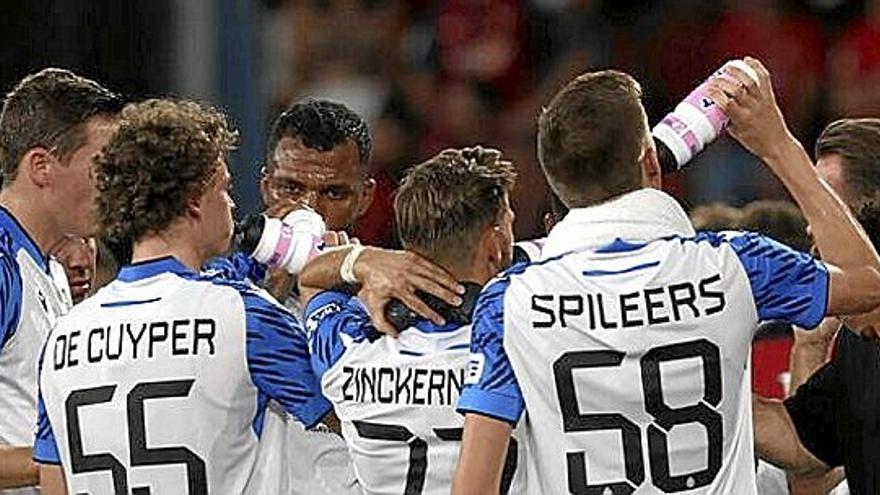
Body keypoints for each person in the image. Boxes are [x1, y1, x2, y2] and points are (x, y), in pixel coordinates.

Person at [451, 59, 880, 494]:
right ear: (652, 162)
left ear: (556, 182)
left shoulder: (508, 302)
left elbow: (472, 489)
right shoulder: (737, 264)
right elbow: (869, 280)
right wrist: (779, 146)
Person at [31, 99, 332, 494]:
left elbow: (54, 483)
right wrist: (333, 289)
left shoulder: (62, 336)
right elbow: (355, 415)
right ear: (193, 199)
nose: (231, 203)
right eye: (223, 188)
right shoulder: (246, 317)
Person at [300, 146, 522, 494]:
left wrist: (363, 259)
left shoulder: (346, 350)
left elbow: (311, 280)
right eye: (509, 223)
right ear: (495, 247)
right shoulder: (519, 349)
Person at [0, 68, 122, 493]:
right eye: (102, 166)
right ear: (42, 167)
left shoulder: (53, 268)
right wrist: (66, 459)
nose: (114, 183)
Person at [755, 118, 880, 495]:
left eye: (828, 205)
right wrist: (702, 384)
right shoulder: (856, 343)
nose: (810, 227)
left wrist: (777, 145)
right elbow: (803, 450)